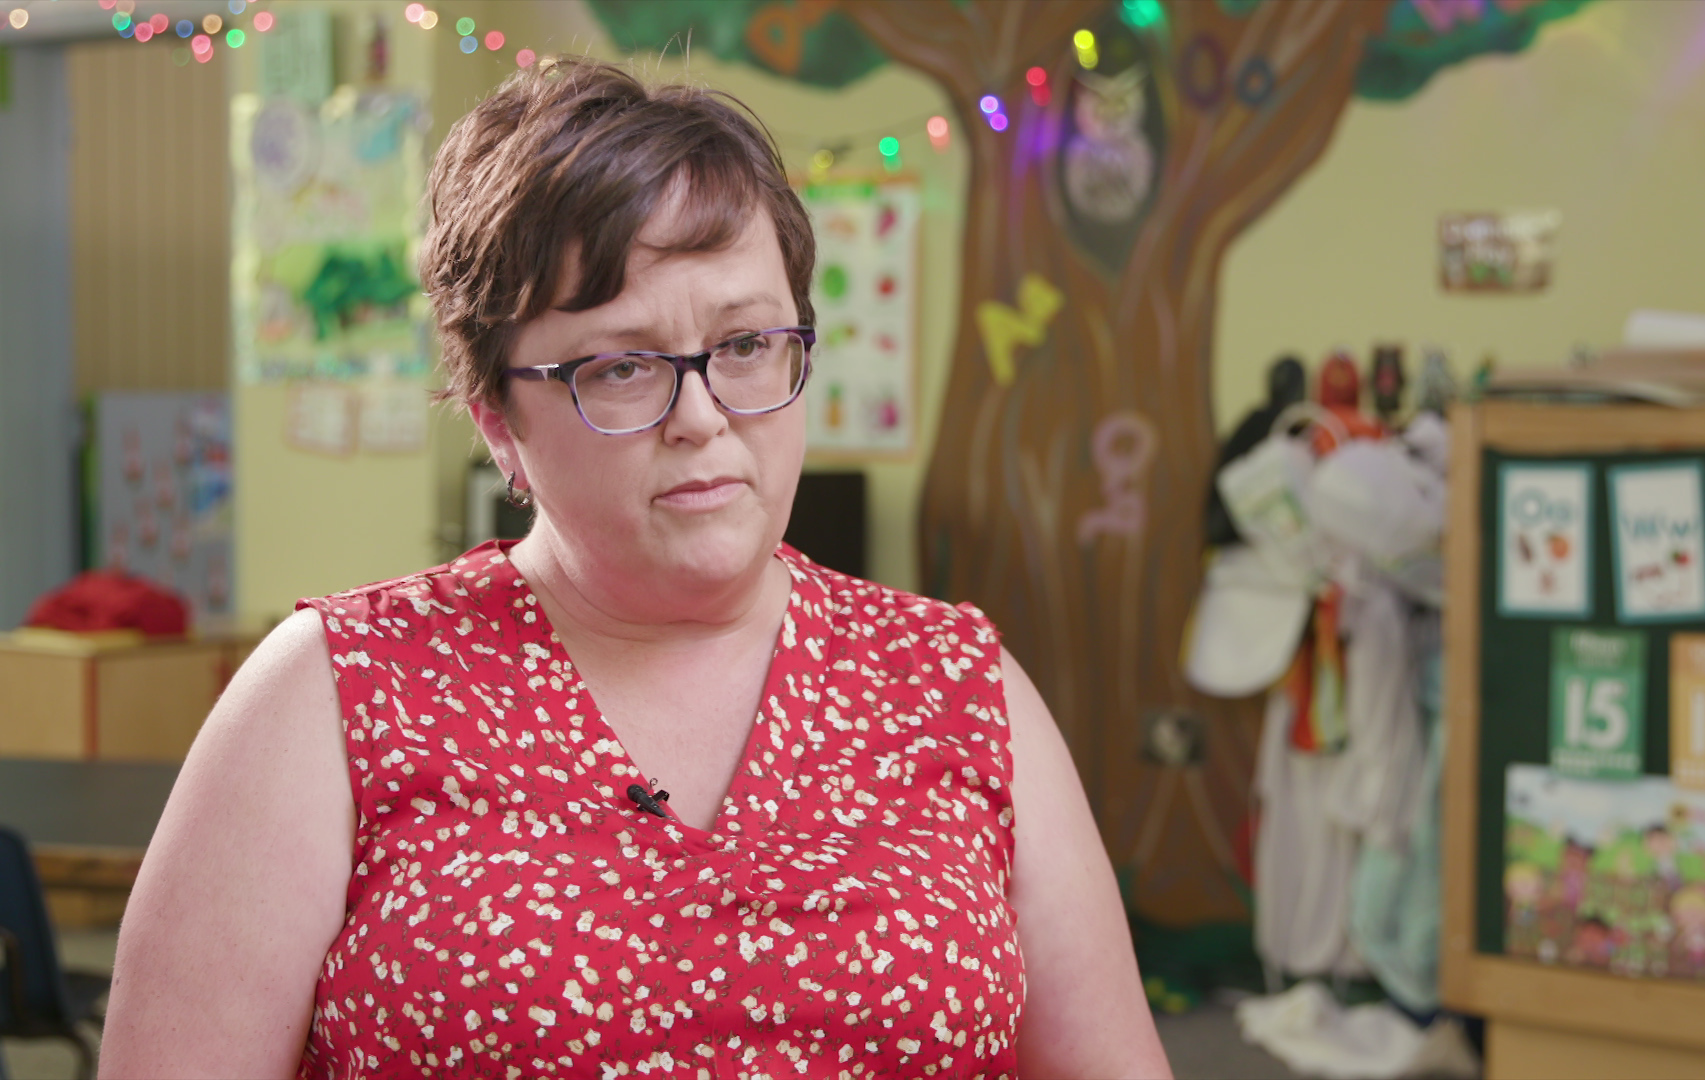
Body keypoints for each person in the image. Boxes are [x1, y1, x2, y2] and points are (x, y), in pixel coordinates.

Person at [99, 58, 1169, 1080]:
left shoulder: (953, 682)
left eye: (746, 347)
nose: (703, 417)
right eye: (621, 365)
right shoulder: (335, 695)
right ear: (497, 422)